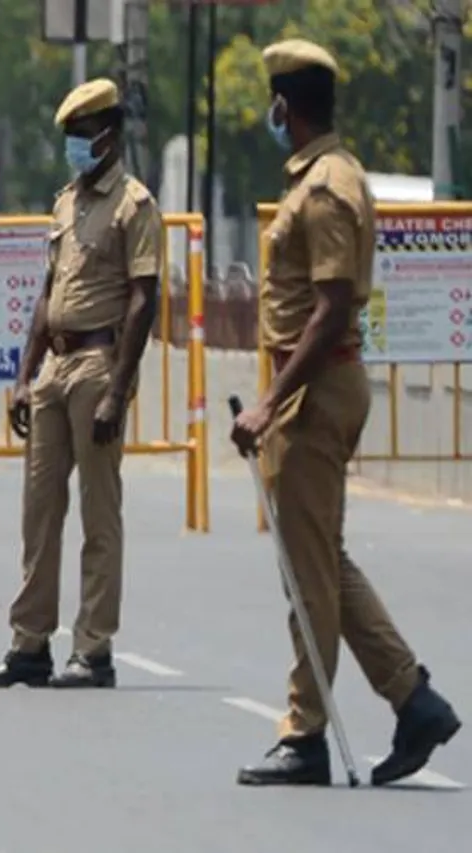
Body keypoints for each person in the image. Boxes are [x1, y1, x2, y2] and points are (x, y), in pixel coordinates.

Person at [230, 39, 461, 787]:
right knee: (323, 558)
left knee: (307, 572)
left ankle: (305, 732)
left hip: (316, 388)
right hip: (322, 385)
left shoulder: (325, 187)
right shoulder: (329, 174)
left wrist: (270, 400)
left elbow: (329, 310)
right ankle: (412, 696)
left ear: (283, 108)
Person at [0, 77, 160, 691]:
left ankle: (94, 647)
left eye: (81, 136)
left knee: (98, 514)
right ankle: (30, 643)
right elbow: (47, 293)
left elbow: (143, 300)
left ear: (107, 135)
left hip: (98, 364)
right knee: (38, 510)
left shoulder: (136, 205)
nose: (73, 147)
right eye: (69, 137)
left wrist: (117, 390)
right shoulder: (66, 202)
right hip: (54, 366)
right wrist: (24, 375)